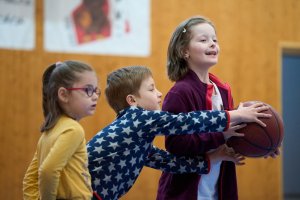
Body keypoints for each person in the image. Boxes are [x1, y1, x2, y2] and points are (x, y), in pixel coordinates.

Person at [87, 66, 270, 200]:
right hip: (80, 192)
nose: (159, 94)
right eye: (151, 89)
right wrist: (234, 115)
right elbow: (185, 122)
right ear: (132, 100)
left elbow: (171, 163)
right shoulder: (138, 118)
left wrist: (213, 158)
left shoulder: (136, 138)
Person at [156, 16, 279, 200]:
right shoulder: (180, 93)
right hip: (186, 191)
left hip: (218, 189)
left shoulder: (222, 89)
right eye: (203, 40)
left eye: (215, 40)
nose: (212, 44)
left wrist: (261, 142)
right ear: (184, 51)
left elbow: (228, 139)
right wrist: (222, 134)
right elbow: (176, 145)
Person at [23, 61, 100, 200]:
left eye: (95, 90)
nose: (95, 96)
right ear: (64, 95)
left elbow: (29, 179)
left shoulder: (50, 130)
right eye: (88, 90)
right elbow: (48, 171)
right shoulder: (73, 130)